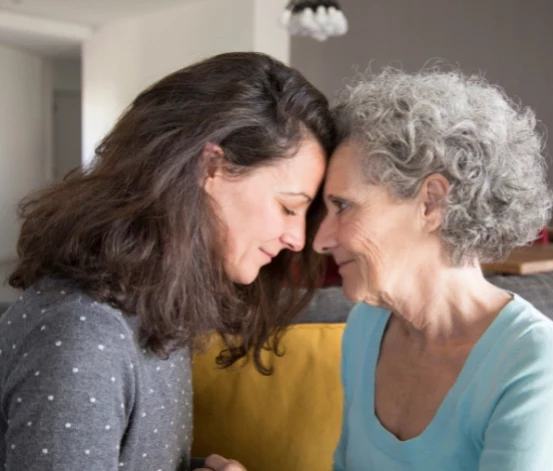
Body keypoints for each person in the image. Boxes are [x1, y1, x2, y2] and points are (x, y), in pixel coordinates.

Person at [0, 51, 335, 471]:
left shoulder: (146, 308)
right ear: (212, 167)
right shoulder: (85, 333)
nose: (297, 237)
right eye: (289, 207)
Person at [313, 68, 553, 470]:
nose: (320, 240)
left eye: (343, 206)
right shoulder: (365, 328)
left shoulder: (538, 364)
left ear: (430, 202)